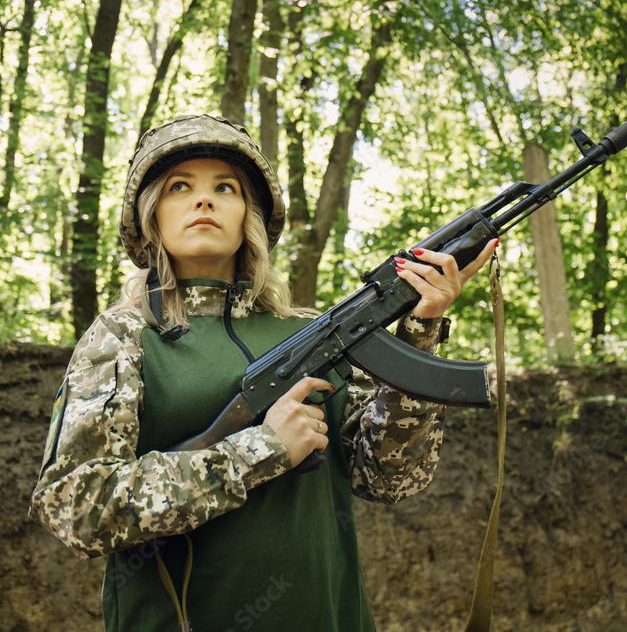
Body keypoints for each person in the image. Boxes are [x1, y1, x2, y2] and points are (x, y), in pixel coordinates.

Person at [30, 114, 497, 631]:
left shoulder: (312, 332)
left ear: (248, 215)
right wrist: (260, 450)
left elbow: (390, 479)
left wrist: (420, 331)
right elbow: (76, 508)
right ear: (151, 215)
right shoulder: (123, 335)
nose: (203, 200)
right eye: (179, 187)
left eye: (224, 188)